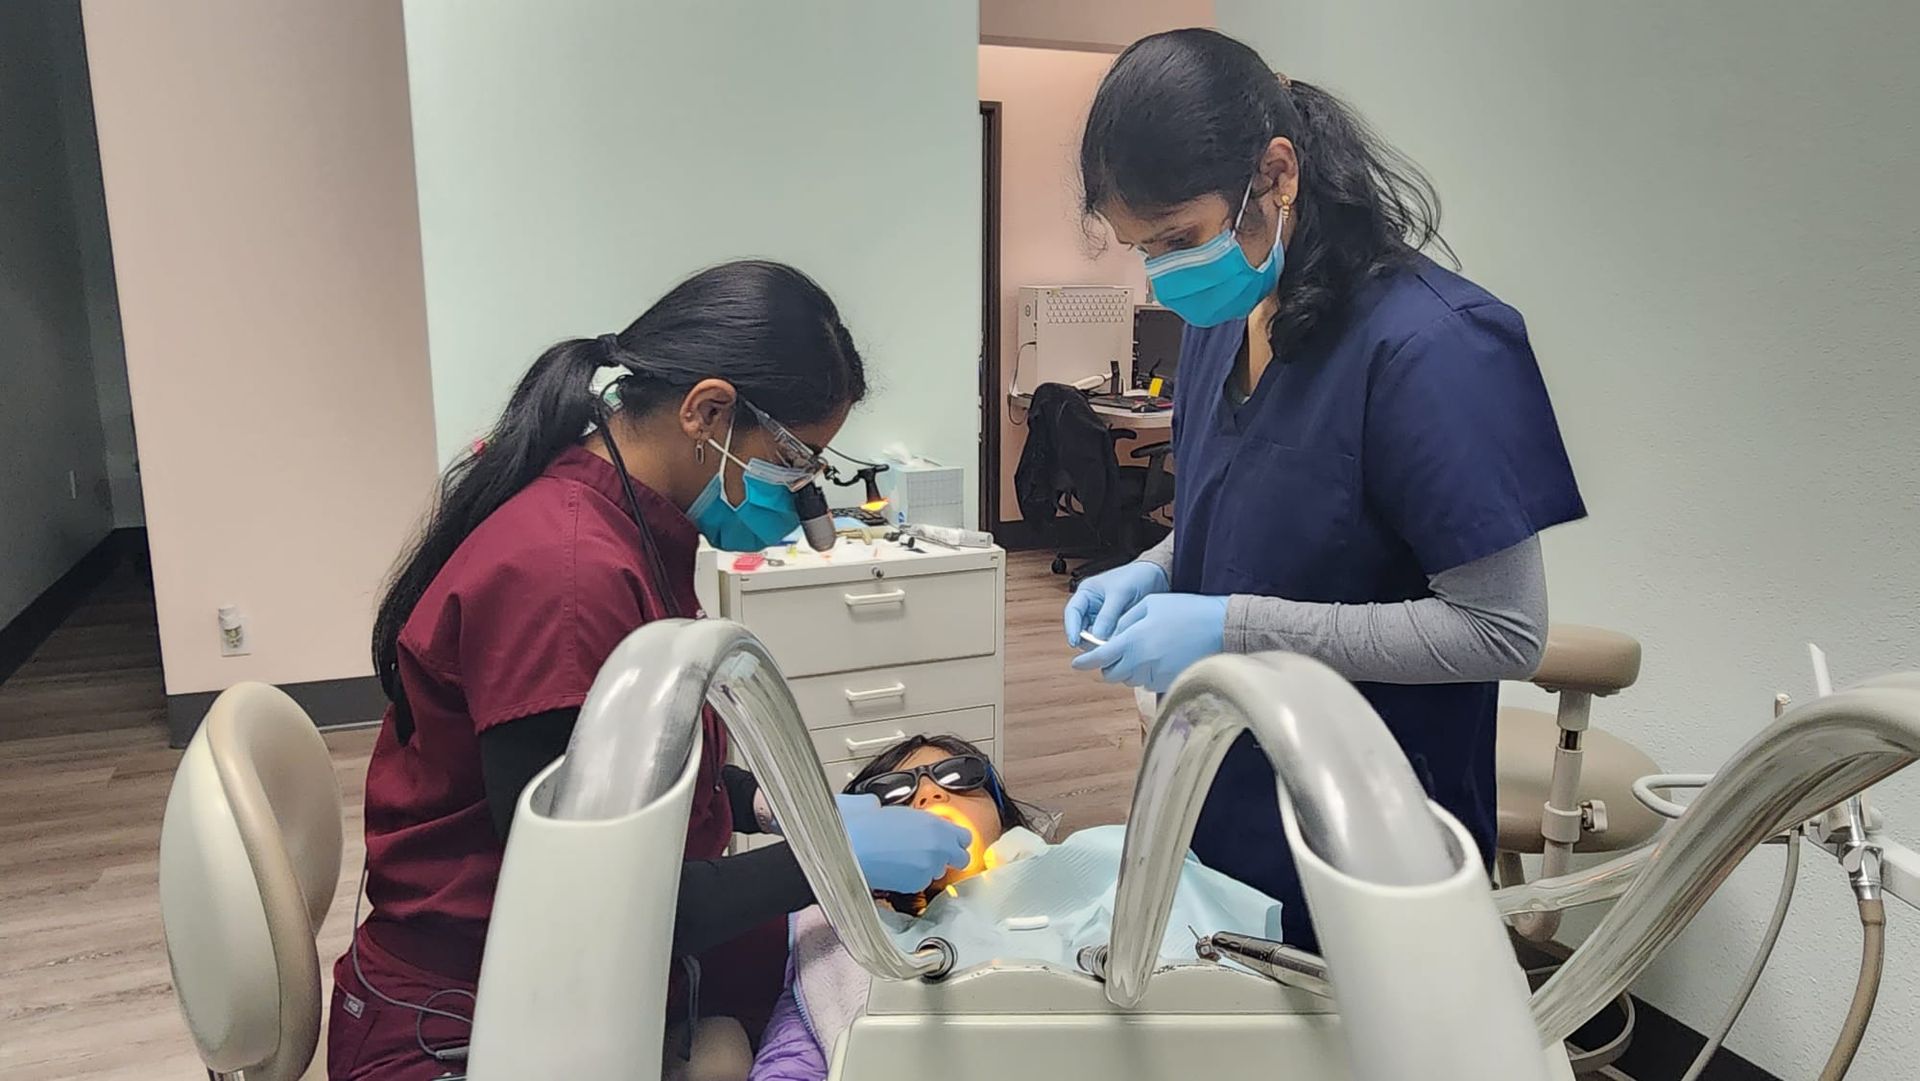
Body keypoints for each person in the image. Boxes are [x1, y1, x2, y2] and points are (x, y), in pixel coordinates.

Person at [328, 261, 971, 1080]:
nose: (805, 497)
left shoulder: (624, 529)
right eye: (797, 461)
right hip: (462, 1024)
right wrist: (829, 863)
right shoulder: (564, 575)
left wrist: (775, 805)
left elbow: (625, 778)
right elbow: (589, 900)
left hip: (555, 978)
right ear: (706, 411)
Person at [1065, 30, 1585, 951]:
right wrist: (1152, 565)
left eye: (1179, 239)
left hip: (1372, 822)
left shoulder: (1436, 346)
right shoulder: (1222, 329)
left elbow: (1503, 628)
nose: (1163, 276)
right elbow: (1249, 511)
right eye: (1143, 249)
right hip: (1223, 793)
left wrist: (1230, 627)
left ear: (1277, 173)